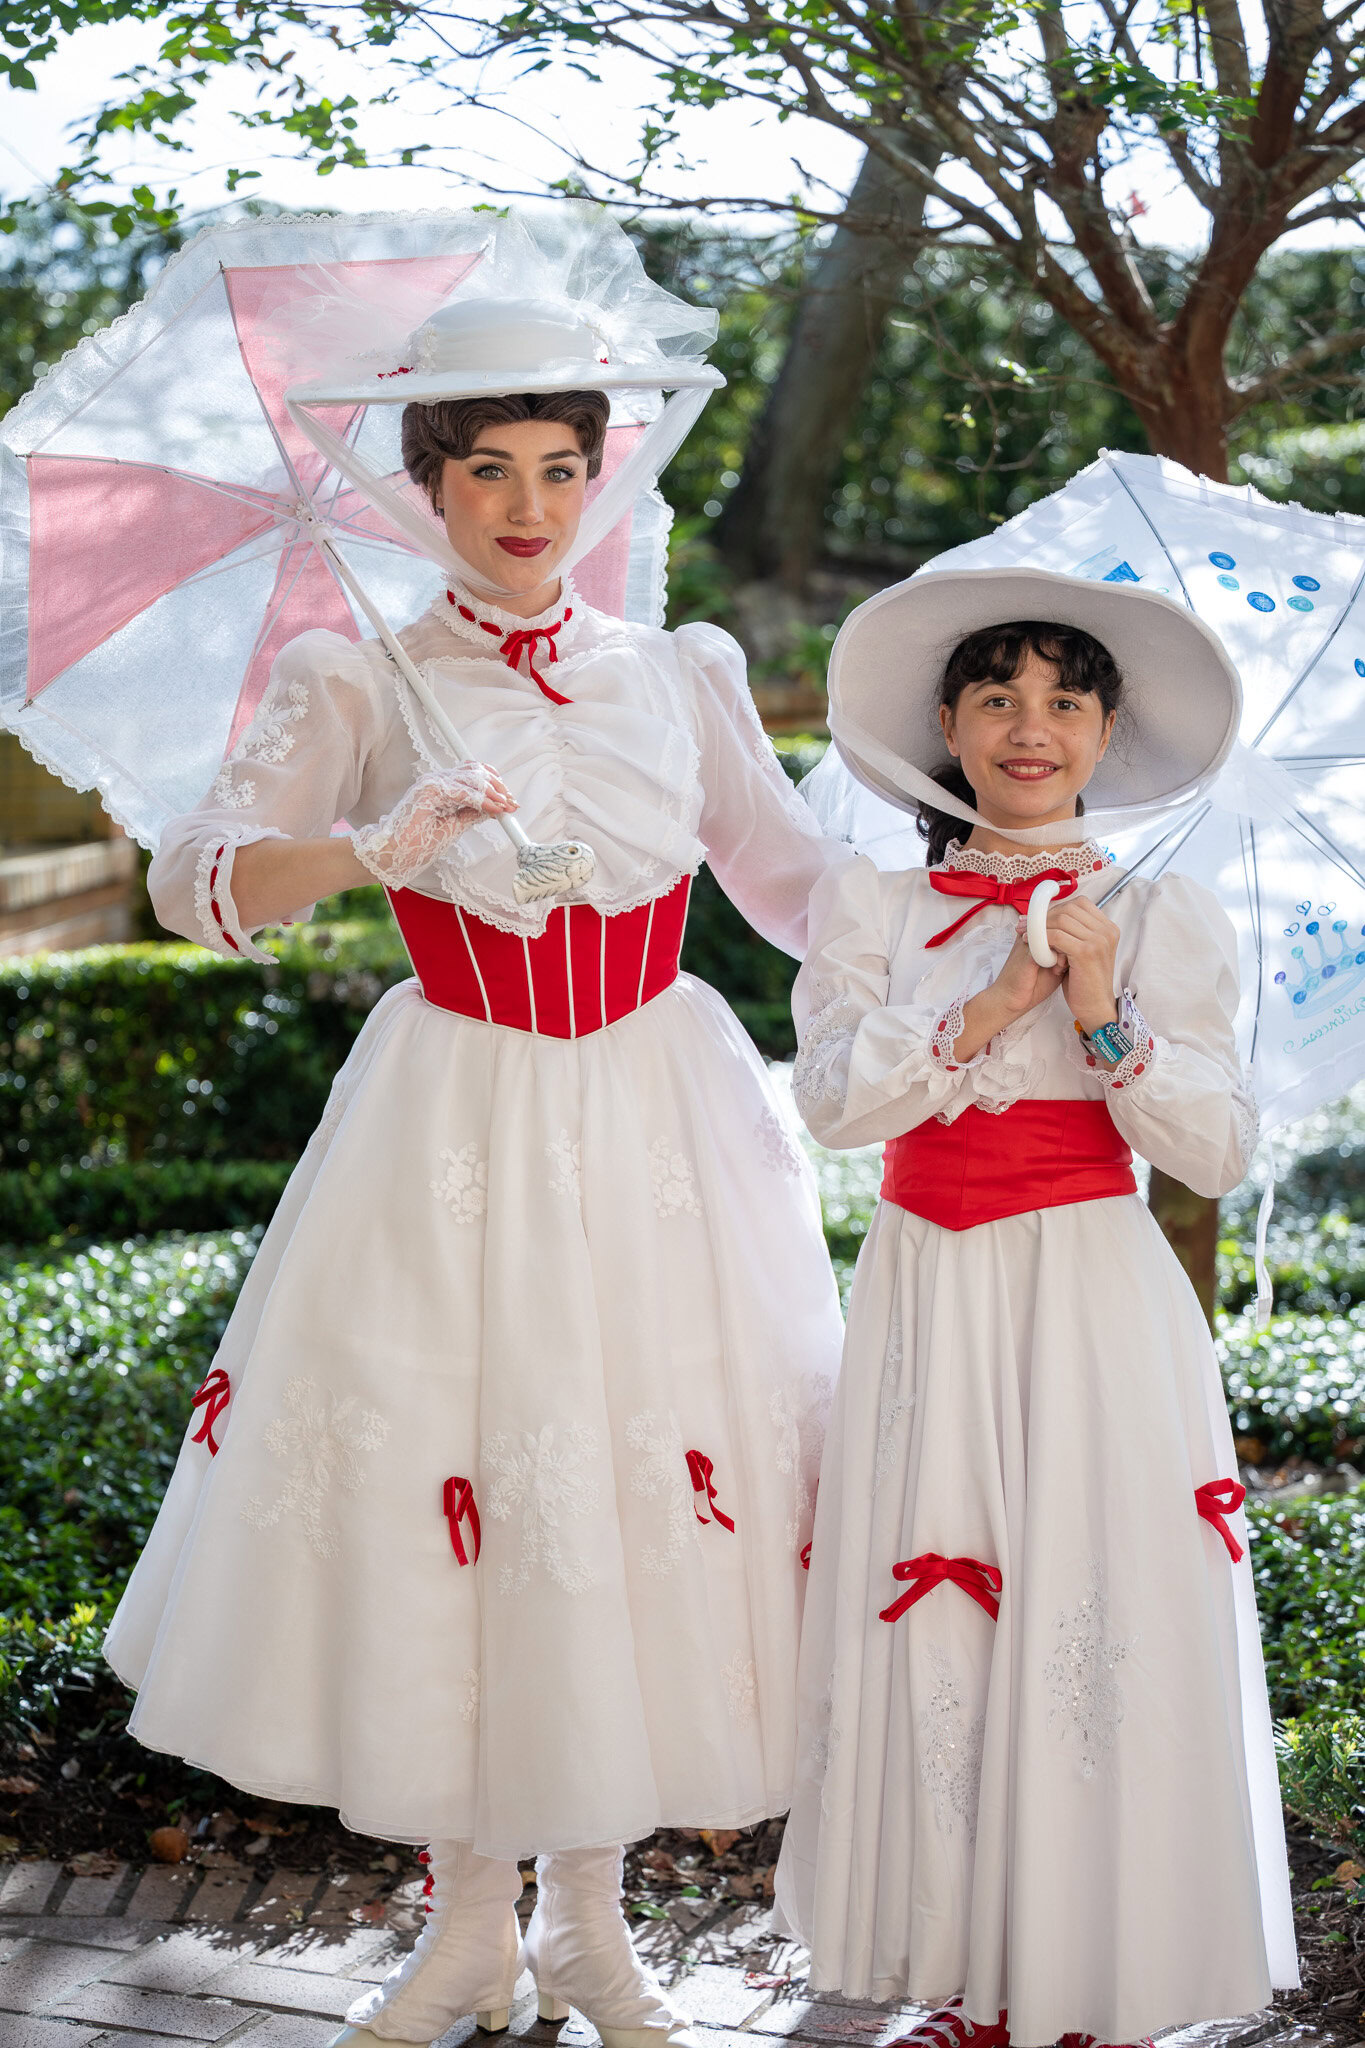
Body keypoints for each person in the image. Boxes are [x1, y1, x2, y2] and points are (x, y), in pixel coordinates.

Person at [104, 249, 846, 2048]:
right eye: (487, 470)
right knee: (459, 1495)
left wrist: (992, 926)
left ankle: (592, 1935)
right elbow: (189, 884)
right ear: (423, 482)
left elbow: (801, 887)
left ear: (603, 476)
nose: (527, 508)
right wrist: (377, 846)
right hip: (454, 1121)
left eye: (558, 468)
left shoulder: (681, 668)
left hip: (659, 1116)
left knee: (622, 1495)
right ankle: (462, 1936)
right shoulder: (355, 679)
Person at [773, 566, 1298, 2048]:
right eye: (997, 695)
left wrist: (1101, 1011)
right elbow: (833, 1103)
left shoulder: (1161, 910)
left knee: (1088, 1607)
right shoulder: (870, 899)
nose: (1030, 727)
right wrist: (993, 1001)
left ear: (1106, 729)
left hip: (1087, 1288)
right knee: (943, 1609)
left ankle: (1087, 1975)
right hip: (930, 1291)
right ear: (944, 721)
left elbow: (1214, 1149)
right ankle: (957, 1974)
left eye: (1066, 700)